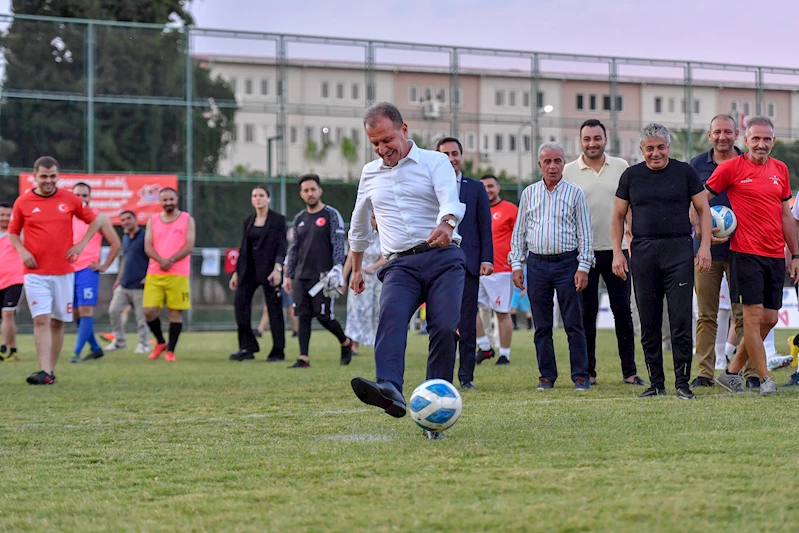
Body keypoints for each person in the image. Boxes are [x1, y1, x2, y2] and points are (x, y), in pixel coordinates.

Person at [348, 102, 466, 440]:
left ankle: (436, 404)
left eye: (387, 140)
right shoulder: (370, 173)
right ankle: (389, 388)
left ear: (404, 130)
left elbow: (449, 197)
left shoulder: (435, 161)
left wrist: (446, 223)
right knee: (392, 316)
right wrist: (356, 269)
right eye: (375, 144)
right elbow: (358, 226)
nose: (383, 149)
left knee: (443, 328)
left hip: (443, 257)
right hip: (398, 264)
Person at [611, 123, 713, 400]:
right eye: (649, 148)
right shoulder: (631, 176)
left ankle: (682, 383)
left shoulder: (685, 172)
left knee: (681, 318)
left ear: (668, 147)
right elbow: (618, 215)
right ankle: (656, 383)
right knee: (649, 319)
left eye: (660, 147)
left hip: (679, 250)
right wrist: (618, 252)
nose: (656, 153)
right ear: (641, 150)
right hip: (643, 252)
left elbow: (703, 209)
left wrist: (704, 247)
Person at [706, 116, 799, 395]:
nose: (761, 144)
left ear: (773, 141)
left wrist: (794, 254)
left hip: (774, 255)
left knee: (769, 318)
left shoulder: (780, 169)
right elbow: (701, 199)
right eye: (756, 138)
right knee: (752, 318)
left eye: (767, 139)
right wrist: (704, 231)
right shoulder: (731, 167)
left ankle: (731, 373)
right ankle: (765, 378)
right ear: (745, 140)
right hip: (744, 253)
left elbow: (786, 216)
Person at [563, 119, 646, 386]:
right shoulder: (567, 171)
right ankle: (588, 372)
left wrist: (632, 238)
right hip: (582, 255)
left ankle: (630, 372)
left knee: (623, 312)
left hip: (617, 251)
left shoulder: (622, 167)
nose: (592, 143)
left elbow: (631, 207)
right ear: (580, 141)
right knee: (586, 314)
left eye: (597, 138)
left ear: (605, 139)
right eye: (587, 139)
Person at [509, 141, 594, 391]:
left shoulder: (575, 193)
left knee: (573, 323)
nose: (553, 166)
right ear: (540, 165)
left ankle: (580, 376)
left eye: (558, 161)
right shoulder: (529, 193)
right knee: (542, 325)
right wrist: (517, 264)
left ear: (564, 163)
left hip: (568, 263)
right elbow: (520, 232)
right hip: (536, 265)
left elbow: (585, 233)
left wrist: (584, 267)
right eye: (547, 161)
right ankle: (546, 376)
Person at [9, 156, 99, 384]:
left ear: (57, 176)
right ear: (35, 176)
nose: (48, 181)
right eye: (43, 176)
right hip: (35, 273)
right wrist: (22, 251)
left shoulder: (69, 199)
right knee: (41, 320)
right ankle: (45, 371)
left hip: (64, 273)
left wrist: (80, 245)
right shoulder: (23, 202)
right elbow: (12, 233)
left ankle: (50, 371)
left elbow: (95, 221)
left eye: (52, 176)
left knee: (58, 321)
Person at [688, 115, 758, 388]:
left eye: (728, 132)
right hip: (706, 251)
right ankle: (705, 373)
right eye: (717, 132)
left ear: (737, 134)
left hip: (744, 249)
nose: (722, 137)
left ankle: (749, 372)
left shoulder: (748, 162)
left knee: (745, 314)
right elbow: (692, 206)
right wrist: (705, 235)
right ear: (709, 134)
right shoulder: (696, 166)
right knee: (706, 314)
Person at [437, 137, 493, 389]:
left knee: (468, 323)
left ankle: (466, 376)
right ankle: (441, 374)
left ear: (462, 155)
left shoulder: (475, 188)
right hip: (438, 263)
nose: (451, 158)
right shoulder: (431, 186)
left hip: (468, 264)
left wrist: (486, 258)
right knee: (442, 323)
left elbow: (484, 226)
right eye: (446, 154)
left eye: (455, 153)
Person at [283, 174, 352, 368]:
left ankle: (345, 343)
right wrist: (288, 275)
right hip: (301, 276)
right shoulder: (299, 219)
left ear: (319, 191)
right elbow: (294, 248)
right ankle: (304, 358)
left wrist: (338, 268)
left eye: (313, 189)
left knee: (323, 316)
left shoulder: (331, 214)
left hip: (324, 277)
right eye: (306, 190)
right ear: (301, 194)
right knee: (303, 316)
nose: (310, 193)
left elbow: (338, 243)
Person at [229, 185, 287, 362]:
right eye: (254, 195)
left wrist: (278, 269)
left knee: (274, 310)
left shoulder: (278, 220)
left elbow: (281, 247)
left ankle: (278, 350)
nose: (258, 198)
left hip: (270, 271)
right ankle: (247, 347)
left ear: (268, 199)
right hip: (248, 270)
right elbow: (242, 248)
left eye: (261, 195)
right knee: (240, 306)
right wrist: (236, 272)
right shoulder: (248, 220)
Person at [70, 182, 121, 363]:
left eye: (85, 195)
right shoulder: (65, 216)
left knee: (85, 310)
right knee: (74, 313)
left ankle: (76, 353)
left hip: (87, 270)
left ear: (90, 197)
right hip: (68, 270)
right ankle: (96, 347)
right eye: (78, 195)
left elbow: (116, 243)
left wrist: (104, 265)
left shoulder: (99, 217)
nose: (82, 199)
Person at [143, 188, 196, 362]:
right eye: (164, 200)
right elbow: (148, 246)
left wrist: (171, 260)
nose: (168, 203)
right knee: (148, 311)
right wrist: (161, 261)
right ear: (160, 201)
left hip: (178, 273)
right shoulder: (153, 220)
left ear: (177, 199)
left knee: (175, 313)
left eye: (171, 199)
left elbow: (189, 246)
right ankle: (160, 341)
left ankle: (170, 351)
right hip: (155, 272)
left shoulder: (187, 219)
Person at [475, 174, 517, 366]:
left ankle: (505, 354)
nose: (487, 190)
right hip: (477, 270)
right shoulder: (474, 209)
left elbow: (518, 238)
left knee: (501, 312)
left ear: (498, 188)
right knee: (468, 310)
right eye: (483, 187)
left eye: (490, 186)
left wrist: (518, 265)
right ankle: (484, 347)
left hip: (501, 270)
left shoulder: (509, 210)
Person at [106, 210, 150, 354]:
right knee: (113, 310)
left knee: (141, 317)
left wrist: (149, 276)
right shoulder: (125, 238)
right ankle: (119, 341)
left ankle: (144, 344)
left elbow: (153, 257)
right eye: (123, 219)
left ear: (136, 219)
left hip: (140, 285)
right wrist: (118, 279)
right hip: (124, 284)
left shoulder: (145, 236)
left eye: (128, 218)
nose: (126, 222)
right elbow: (125, 259)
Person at [342, 213, 386, 353]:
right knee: (356, 309)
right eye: (369, 218)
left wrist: (372, 267)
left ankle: (376, 342)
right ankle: (354, 344)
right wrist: (342, 278)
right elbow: (350, 258)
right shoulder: (359, 237)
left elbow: (384, 258)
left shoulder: (383, 238)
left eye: (374, 218)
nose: (371, 221)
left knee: (375, 310)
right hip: (358, 276)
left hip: (375, 278)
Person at [0, 201, 24, 362]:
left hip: (15, 279)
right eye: (2, 215)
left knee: (8, 313)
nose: (5, 218)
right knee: (6, 317)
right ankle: (13, 349)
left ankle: (2, 347)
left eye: (8, 215)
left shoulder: (18, 234)